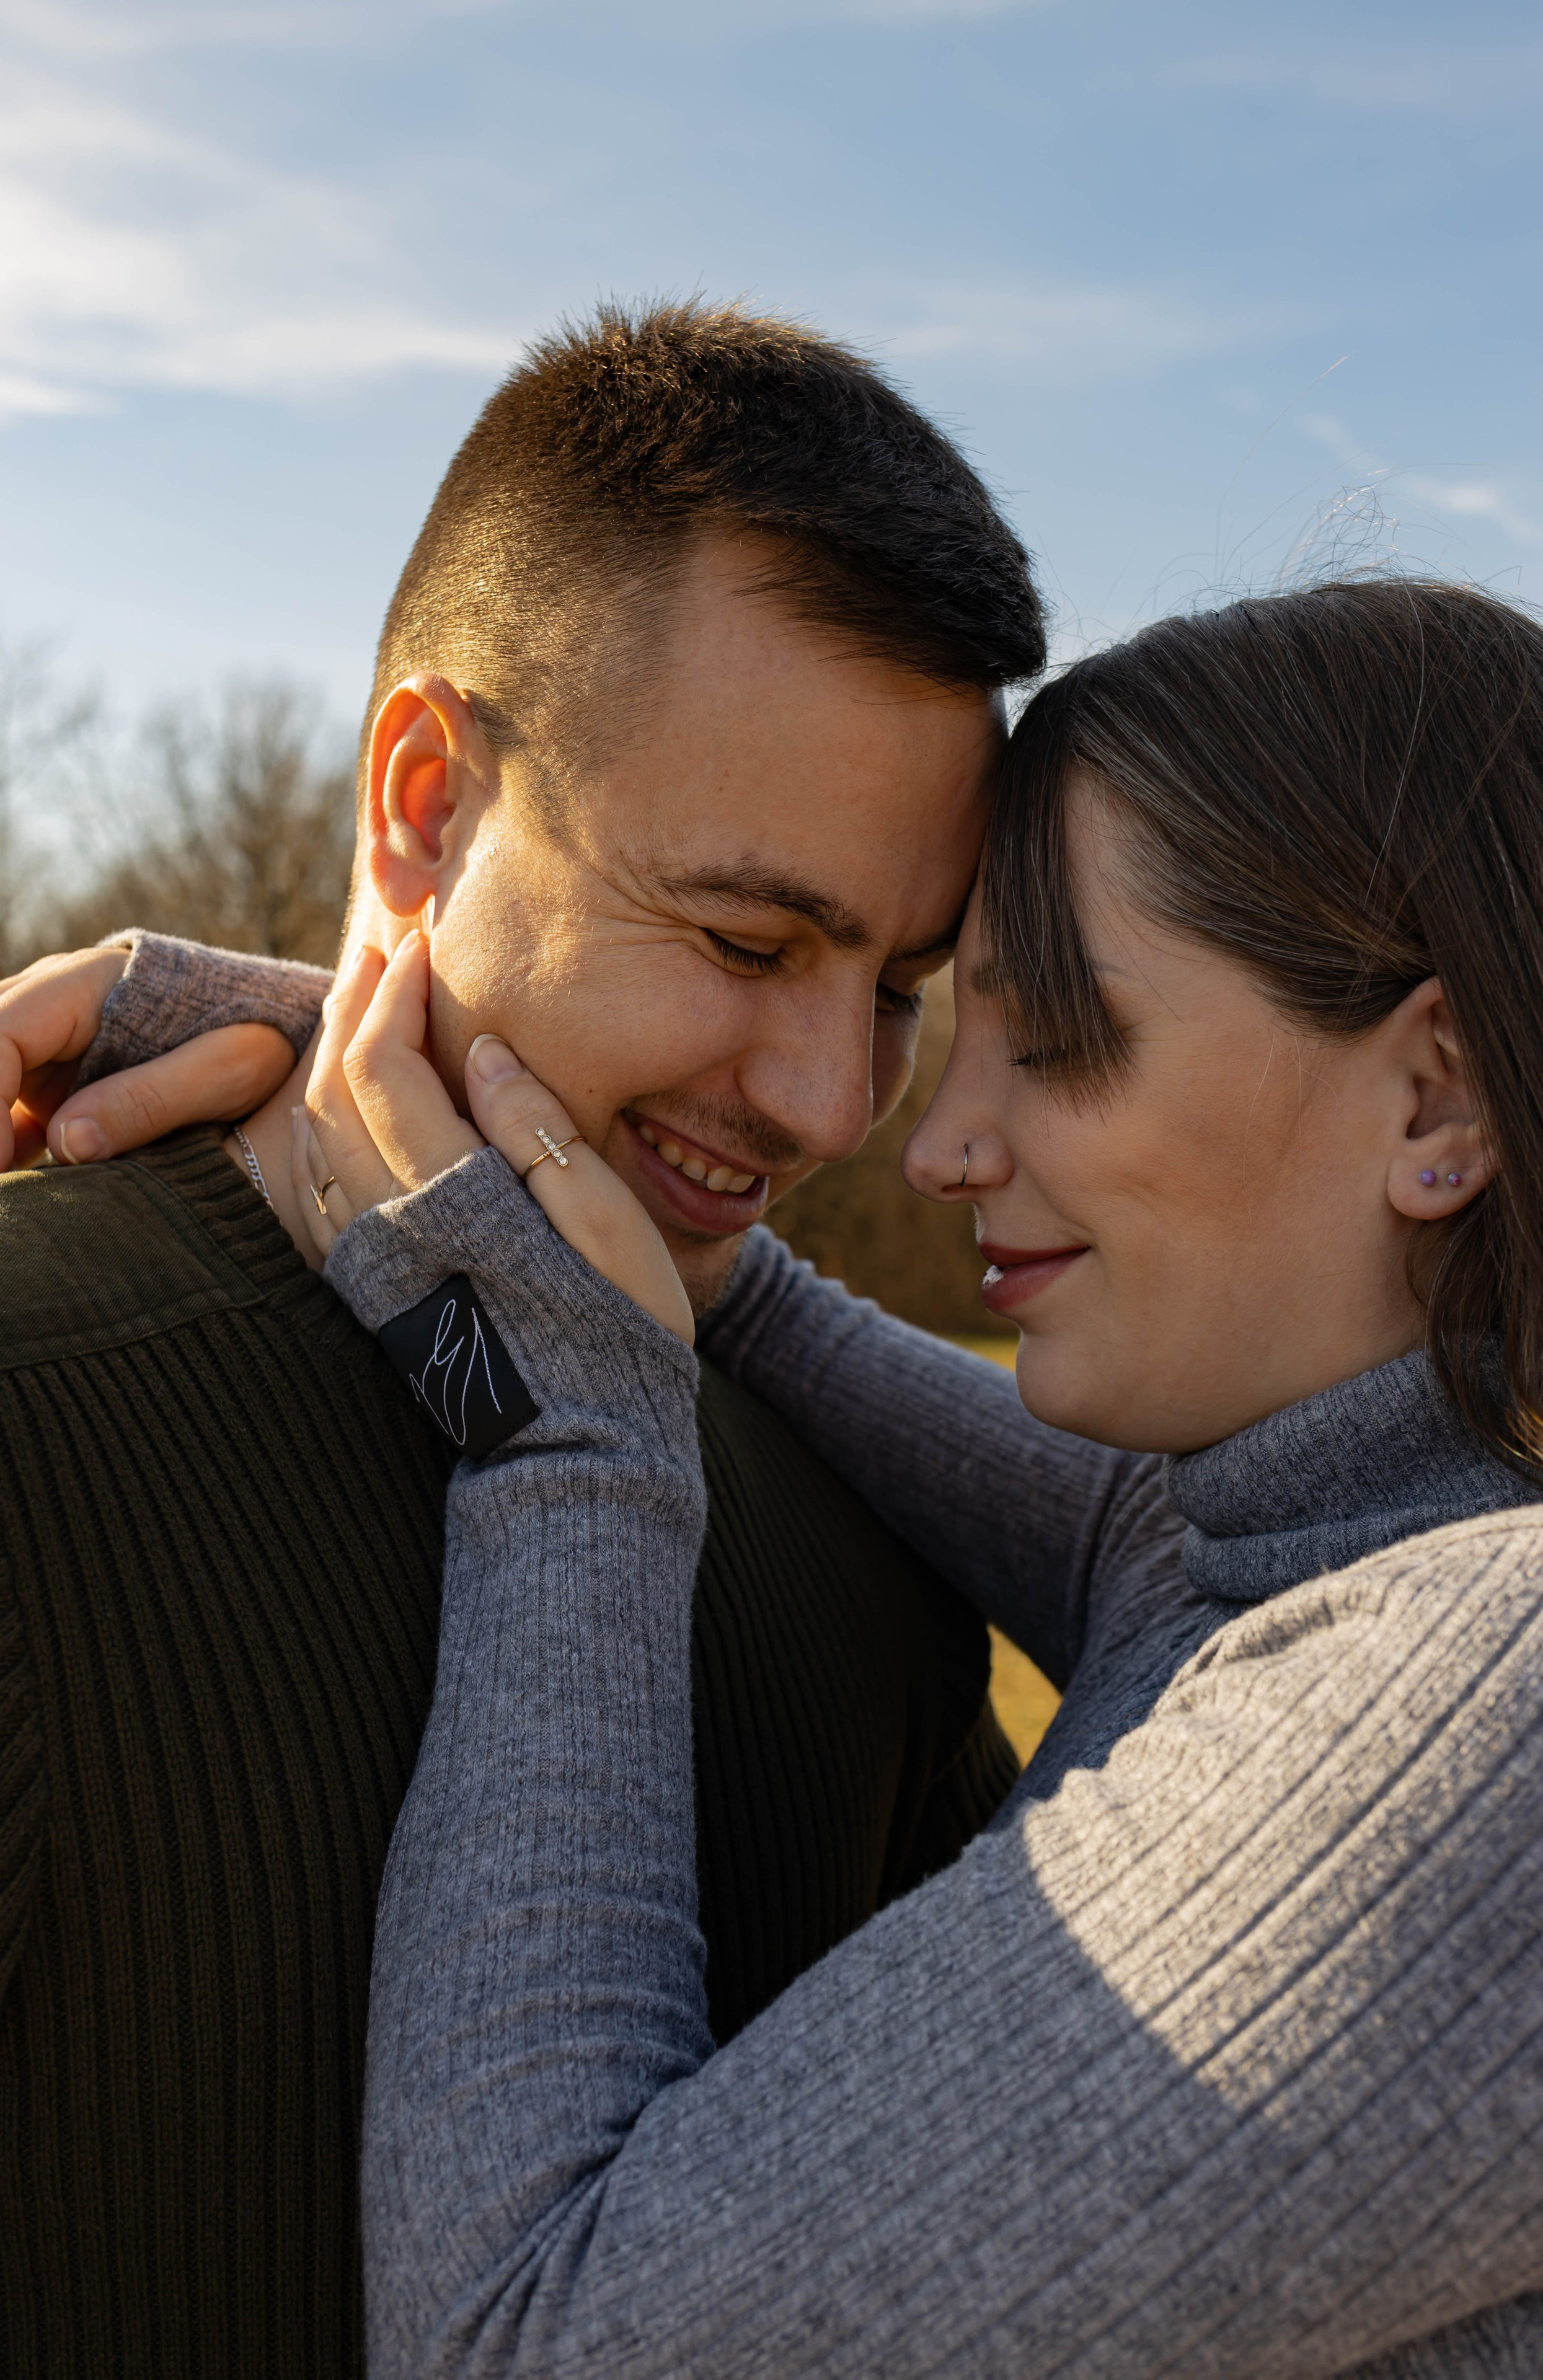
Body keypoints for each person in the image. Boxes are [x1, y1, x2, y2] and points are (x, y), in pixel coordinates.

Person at [285, 575, 1543, 2377]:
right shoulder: (1292, 1546)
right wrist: (383, 1061)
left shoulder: (1527, 1704)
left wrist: (564, 1434)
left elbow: (529, 2341)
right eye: (942, 1017)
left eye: (1053, 1037)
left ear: (1439, 1102)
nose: (937, 1146)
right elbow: (804, 1335)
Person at [0, 299, 1045, 2378]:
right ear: (420, 803)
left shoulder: (875, 1550)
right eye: (749, 942)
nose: (839, 1106)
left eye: (900, 986)